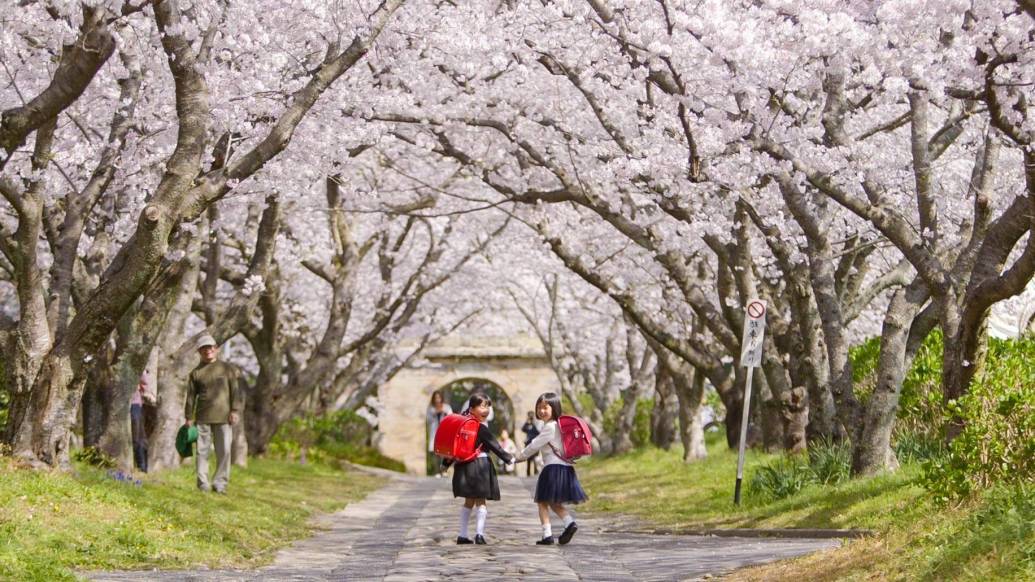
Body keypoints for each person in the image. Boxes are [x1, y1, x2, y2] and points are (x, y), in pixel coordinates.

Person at [514, 392, 588, 545]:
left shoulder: (550, 427)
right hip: (565, 468)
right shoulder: (561, 426)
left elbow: (535, 445)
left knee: (542, 502)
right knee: (554, 502)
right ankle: (569, 523)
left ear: (554, 407)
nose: (541, 411)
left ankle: (547, 535)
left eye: (545, 407)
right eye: (539, 407)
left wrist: (519, 458)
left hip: (552, 468)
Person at [443, 393, 514, 545]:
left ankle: (462, 535)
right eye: (482, 406)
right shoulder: (480, 427)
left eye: (488, 406)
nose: (486, 409)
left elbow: (453, 445)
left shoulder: (461, 425)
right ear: (472, 408)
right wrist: (509, 459)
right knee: (481, 501)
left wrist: (446, 463)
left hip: (464, 466)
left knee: (468, 501)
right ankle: (479, 534)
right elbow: (495, 446)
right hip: (480, 465)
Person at [184, 334, 243, 494]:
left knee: (224, 451)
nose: (207, 350)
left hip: (224, 418)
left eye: (210, 347)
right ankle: (203, 483)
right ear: (199, 351)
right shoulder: (195, 373)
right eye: (203, 348)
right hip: (203, 418)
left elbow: (236, 392)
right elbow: (190, 397)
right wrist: (189, 417)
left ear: (215, 349)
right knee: (202, 452)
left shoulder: (227, 368)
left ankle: (220, 483)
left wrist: (235, 410)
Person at [426, 390, 453, 476]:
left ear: (441, 398)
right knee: (436, 453)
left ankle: (444, 471)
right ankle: (437, 471)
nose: (437, 399)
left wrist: (444, 413)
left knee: (445, 452)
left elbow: (451, 417)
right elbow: (428, 420)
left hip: (444, 431)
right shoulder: (431, 409)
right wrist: (434, 414)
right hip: (435, 432)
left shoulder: (446, 407)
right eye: (436, 398)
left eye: (439, 397)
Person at [130, 370, 152, 472]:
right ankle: (141, 465)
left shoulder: (138, 364)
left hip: (135, 403)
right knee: (137, 436)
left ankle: (142, 466)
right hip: (134, 403)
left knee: (138, 436)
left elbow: (144, 384)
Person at [520, 410, 543, 476]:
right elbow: (523, 429)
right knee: (528, 459)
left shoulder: (535, 424)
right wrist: (527, 422)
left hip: (535, 444)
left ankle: (536, 472)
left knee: (535, 459)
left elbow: (538, 432)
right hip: (528, 444)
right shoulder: (527, 425)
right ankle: (528, 474)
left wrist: (534, 423)